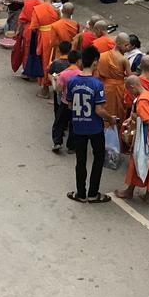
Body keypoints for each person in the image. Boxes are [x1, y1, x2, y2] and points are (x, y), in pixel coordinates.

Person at [65, 46, 113, 204]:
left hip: (78, 127)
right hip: (95, 128)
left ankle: (80, 193)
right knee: (98, 158)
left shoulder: (72, 82)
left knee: (81, 160)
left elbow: (70, 105)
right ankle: (93, 193)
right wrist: (110, 118)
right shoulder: (97, 84)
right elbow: (99, 110)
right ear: (94, 62)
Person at [115, 75, 149, 200]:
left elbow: (146, 119)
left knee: (138, 159)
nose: (130, 94)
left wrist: (132, 119)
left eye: (129, 91)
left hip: (146, 134)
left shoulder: (142, 100)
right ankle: (148, 194)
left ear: (132, 86)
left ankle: (129, 191)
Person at [23, 0, 61, 86]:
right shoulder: (57, 10)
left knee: (44, 61)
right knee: (52, 60)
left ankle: (45, 88)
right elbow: (59, 23)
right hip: (54, 37)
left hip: (43, 37)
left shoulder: (38, 9)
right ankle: (53, 83)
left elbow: (34, 27)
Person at [51, 48, 82, 153]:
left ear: (69, 61)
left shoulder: (64, 74)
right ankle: (72, 147)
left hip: (64, 102)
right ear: (78, 61)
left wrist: (53, 80)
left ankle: (57, 142)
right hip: (77, 103)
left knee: (59, 123)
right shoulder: (81, 74)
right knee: (74, 125)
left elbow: (58, 90)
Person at [96, 32, 131, 121]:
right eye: (126, 45)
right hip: (119, 88)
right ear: (118, 44)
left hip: (105, 87)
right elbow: (130, 77)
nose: (128, 48)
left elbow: (97, 74)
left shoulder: (102, 56)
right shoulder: (124, 59)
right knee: (118, 112)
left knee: (106, 108)